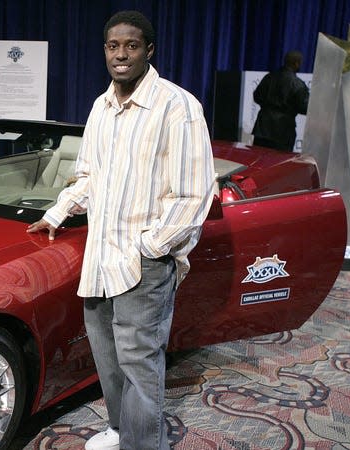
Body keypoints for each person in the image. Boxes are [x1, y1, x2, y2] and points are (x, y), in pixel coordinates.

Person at [26, 10, 215, 450]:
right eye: (113, 46)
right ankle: (120, 427)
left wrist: (152, 247)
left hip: (143, 261)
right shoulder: (101, 106)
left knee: (139, 363)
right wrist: (58, 213)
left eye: (131, 46)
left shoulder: (178, 106)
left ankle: (142, 443)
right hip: (101, 257)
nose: (121, 55)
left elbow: (193, 194)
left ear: (149, 50)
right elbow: (88, 175)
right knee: (107, 358)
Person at [251, 51, 310, 151]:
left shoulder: (269, 77)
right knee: (279, 163)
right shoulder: (298, 84)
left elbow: (257, 96)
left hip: (263, 128)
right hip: (284, 131)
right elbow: (305, 107)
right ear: (296, 63)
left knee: (258, 161)